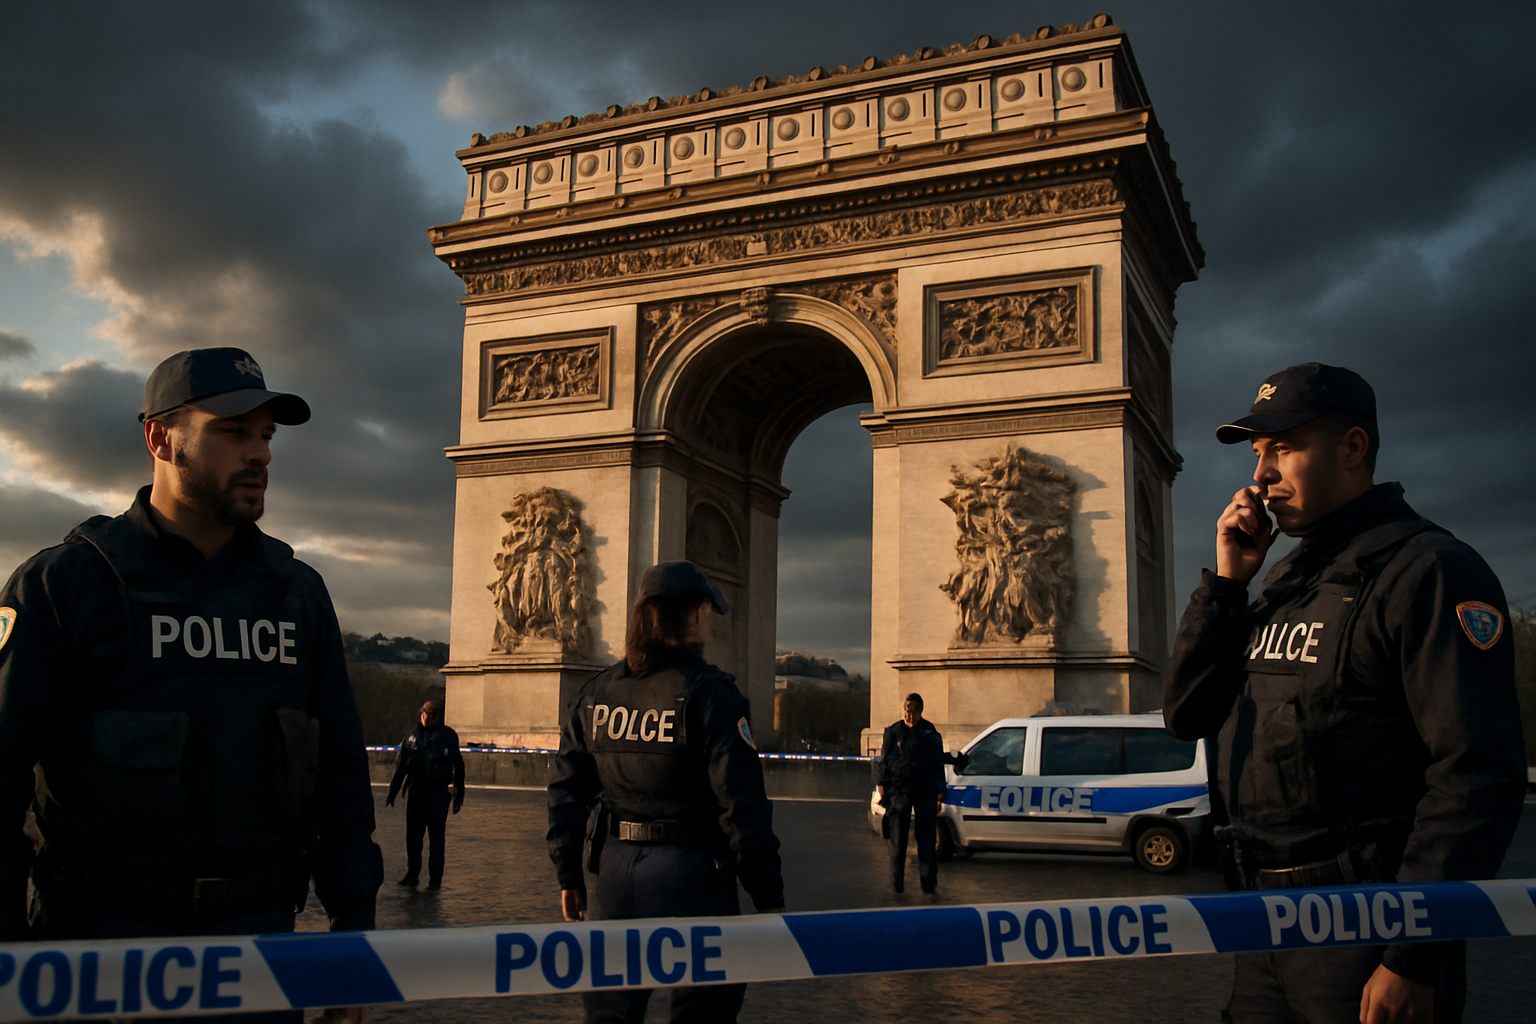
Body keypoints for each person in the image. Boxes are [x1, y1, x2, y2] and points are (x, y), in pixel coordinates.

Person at [0, 347, 382, 1023]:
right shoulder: (63, 587)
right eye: (232, 431)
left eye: (266, 435)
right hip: (97, 952)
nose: (260, 453)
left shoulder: (299, 596)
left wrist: (354, 934)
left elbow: (341, 780)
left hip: (259, 949)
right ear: (160, 438)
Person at [1163, 363, 1526, 1024]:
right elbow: (1187, 713)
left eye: (1283, 449)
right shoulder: (1282, 579)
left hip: (1369, 928)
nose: (1261, 475)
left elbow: (1475, 775)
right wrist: (1227, 587)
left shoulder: (1431, 571)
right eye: (1258, 453)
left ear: (1353, 447)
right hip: (1263, 922)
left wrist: (1415, 955)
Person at [547, 560, 785, 1024]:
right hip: (693, 872)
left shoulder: (595, 694)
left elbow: (565, 791)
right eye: (707, 612)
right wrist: (768, 896)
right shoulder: (714, 695)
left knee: (610, 1015)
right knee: (704, 1013)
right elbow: (742, 806)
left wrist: (568, 874)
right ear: (696, 614)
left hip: (615, 873)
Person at [386, 700, 465, 888]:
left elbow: (458, 767)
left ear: (439, 716)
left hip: (437, 792)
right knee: (413, 836)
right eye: (425, 713)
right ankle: (412, 873)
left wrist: (458, 796)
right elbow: (402, 766)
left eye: (432, 714)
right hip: (416, 790)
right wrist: (393, 791)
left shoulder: (448, 736)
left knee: (436, 838)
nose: (427, 717)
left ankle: (435, 879)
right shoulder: (412, 736)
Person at [876, 693, 947, 894]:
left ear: (920, 711)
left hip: (925, 789)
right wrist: (882, 784)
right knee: (898, 841)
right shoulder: (893, 732)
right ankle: (896, 883)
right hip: (899, 789)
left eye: (913, 711)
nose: (910, 715)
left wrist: (940, 791)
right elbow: (884, 760)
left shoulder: (930, 732)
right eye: (907, 711)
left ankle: (928, 883)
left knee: (926, 840)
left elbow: (937, 764)